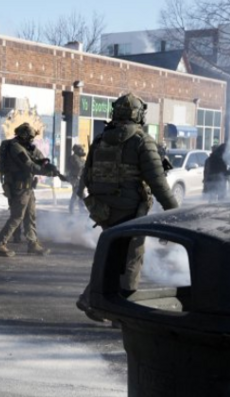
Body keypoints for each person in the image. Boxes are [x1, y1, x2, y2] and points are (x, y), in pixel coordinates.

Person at [75, 93, 179, 313]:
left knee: (113, 257)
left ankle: (92, 299)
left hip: (102, 210)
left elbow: (86, 176)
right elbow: (158, 184)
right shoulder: (142, 141)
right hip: (130, 212)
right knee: (132, 259)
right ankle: (122, 311)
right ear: (138, 115)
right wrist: (175, 213)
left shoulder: (100, 140)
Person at [0, 123, 54, 257]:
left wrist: (48, 165)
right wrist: (47, 172)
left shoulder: (25, 146)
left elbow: (39, 157)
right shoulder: (15, 147)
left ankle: (33, 244)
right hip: (19, 187)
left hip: (28, 187)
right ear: (23, 136)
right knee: (17, 217)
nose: (31, 140)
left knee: (30, 216)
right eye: (30, 137)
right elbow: (29, 165)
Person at [66, 144, 87, 215]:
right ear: (77, 150)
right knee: (75, 193)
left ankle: (82, 210)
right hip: (74, 178)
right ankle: (71, 209)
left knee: (81, 194)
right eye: (81, 150)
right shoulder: (74, 157)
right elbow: (79, 165)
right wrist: (86, 163)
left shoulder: (80, 158)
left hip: (79, 178)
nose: (82, 151)